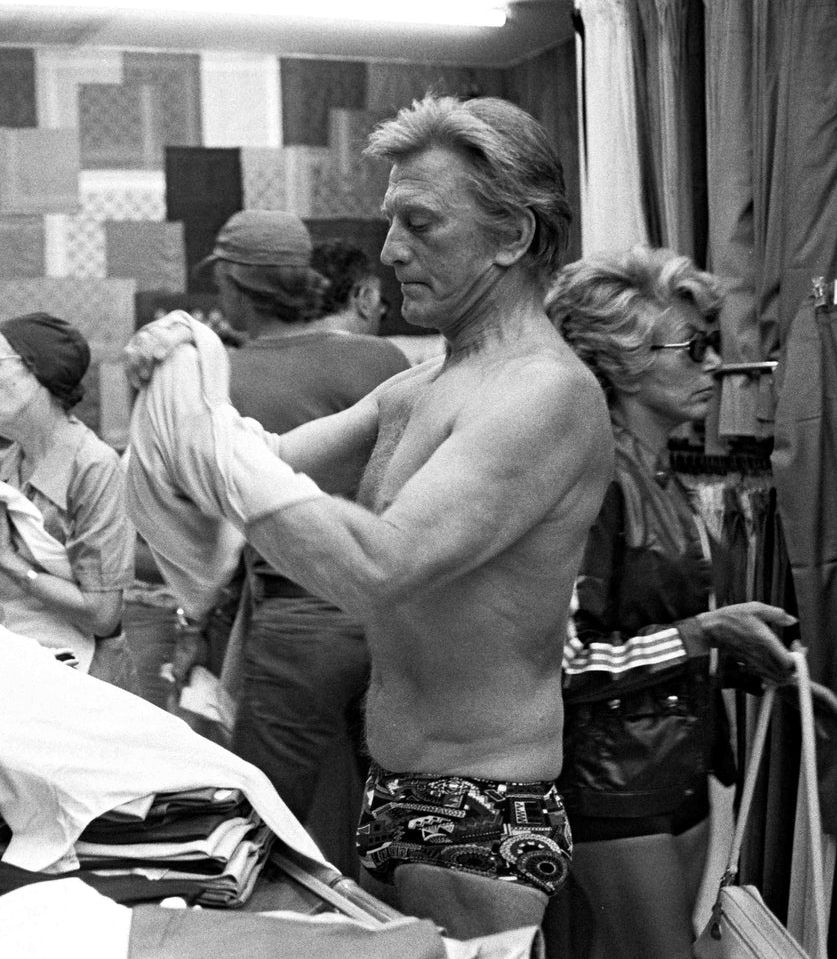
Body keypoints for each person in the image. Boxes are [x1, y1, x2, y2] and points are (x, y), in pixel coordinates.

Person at [124, 94, 613, 938]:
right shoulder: (419, 386)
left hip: (476, 809)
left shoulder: (545, 395)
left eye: (420, 224)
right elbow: (251, 465)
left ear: (513, 237)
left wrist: (209, 431)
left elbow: (380, 566)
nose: (389, 253)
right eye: (392, 222)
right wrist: (172, 387)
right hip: (395, 788)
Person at [546, 245, 797, 959]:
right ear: (621, 359)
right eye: (690, 349)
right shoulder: (592, 476)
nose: (712, 365)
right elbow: (561, 663)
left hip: (671, 767)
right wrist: (706, 633)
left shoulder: (659, 472)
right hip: (614, 781)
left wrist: (741, 649)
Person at [205, 210, 408, 870]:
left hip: (298, 616)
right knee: (394, 819)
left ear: (234, 286)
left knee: (257, 829)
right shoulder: (381, 359)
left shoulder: (220, 378)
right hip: (393, 611)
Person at [0, 312, 136, 688]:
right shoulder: (14, 458)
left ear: (38, 371)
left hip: (89, 680)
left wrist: (11, 563)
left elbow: (103, 613)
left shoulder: (93, 466)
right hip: (34, 663)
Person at [311, 238, 389, 336]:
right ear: (365, 299)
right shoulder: (384, 350)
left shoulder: (288, 349)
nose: (382, 310)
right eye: (381, 303)